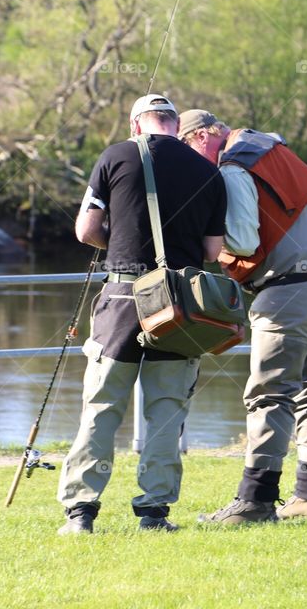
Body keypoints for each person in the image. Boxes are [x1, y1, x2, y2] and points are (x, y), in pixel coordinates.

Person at [56, 95, 227, 534]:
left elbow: (86, 230)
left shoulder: (114, 156)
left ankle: (81, 513)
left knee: (102, 405)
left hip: (122, 298)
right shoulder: (209, 171)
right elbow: (212, 251)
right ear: (174, 125)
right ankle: (154, 513)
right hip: (179, 306)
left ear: (136, 125)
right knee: (166, 408)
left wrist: (118, 242)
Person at [179, 109, 307, 523]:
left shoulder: (234, 167)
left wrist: (203, 236)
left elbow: (243, 238)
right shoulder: (265, 148)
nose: (190, 160)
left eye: (187, 148)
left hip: (290, 287)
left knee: (268, 394)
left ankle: (255, 500)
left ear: (202, 136)